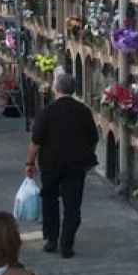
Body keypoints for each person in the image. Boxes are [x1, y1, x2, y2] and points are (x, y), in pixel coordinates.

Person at [25, 72, 97, 258]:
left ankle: (51, 239)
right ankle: (67, 244)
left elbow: (35, 142)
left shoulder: (47, 112)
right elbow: (93, 138)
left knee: (50, 200)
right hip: (76, 165)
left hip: (51, 164)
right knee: (72, 206)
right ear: (73, 89)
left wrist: (29, 163)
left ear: (56, 88)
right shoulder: (83, 111)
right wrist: (87, 157)